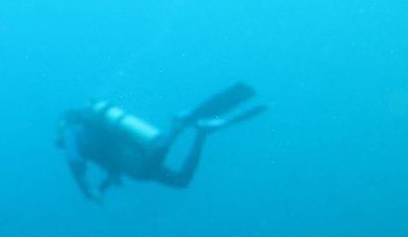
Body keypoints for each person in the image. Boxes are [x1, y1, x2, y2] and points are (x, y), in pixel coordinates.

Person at [57, 82, 266, 200]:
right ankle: (201, 133)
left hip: (138, 164)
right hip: (140, 154)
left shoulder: (70, 133)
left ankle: (179, 126)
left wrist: (86, 190)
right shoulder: (92, 128)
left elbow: (75, 162)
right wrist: (104, 185)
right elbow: (108, 154)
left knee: (159, 165)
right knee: (181, 180)